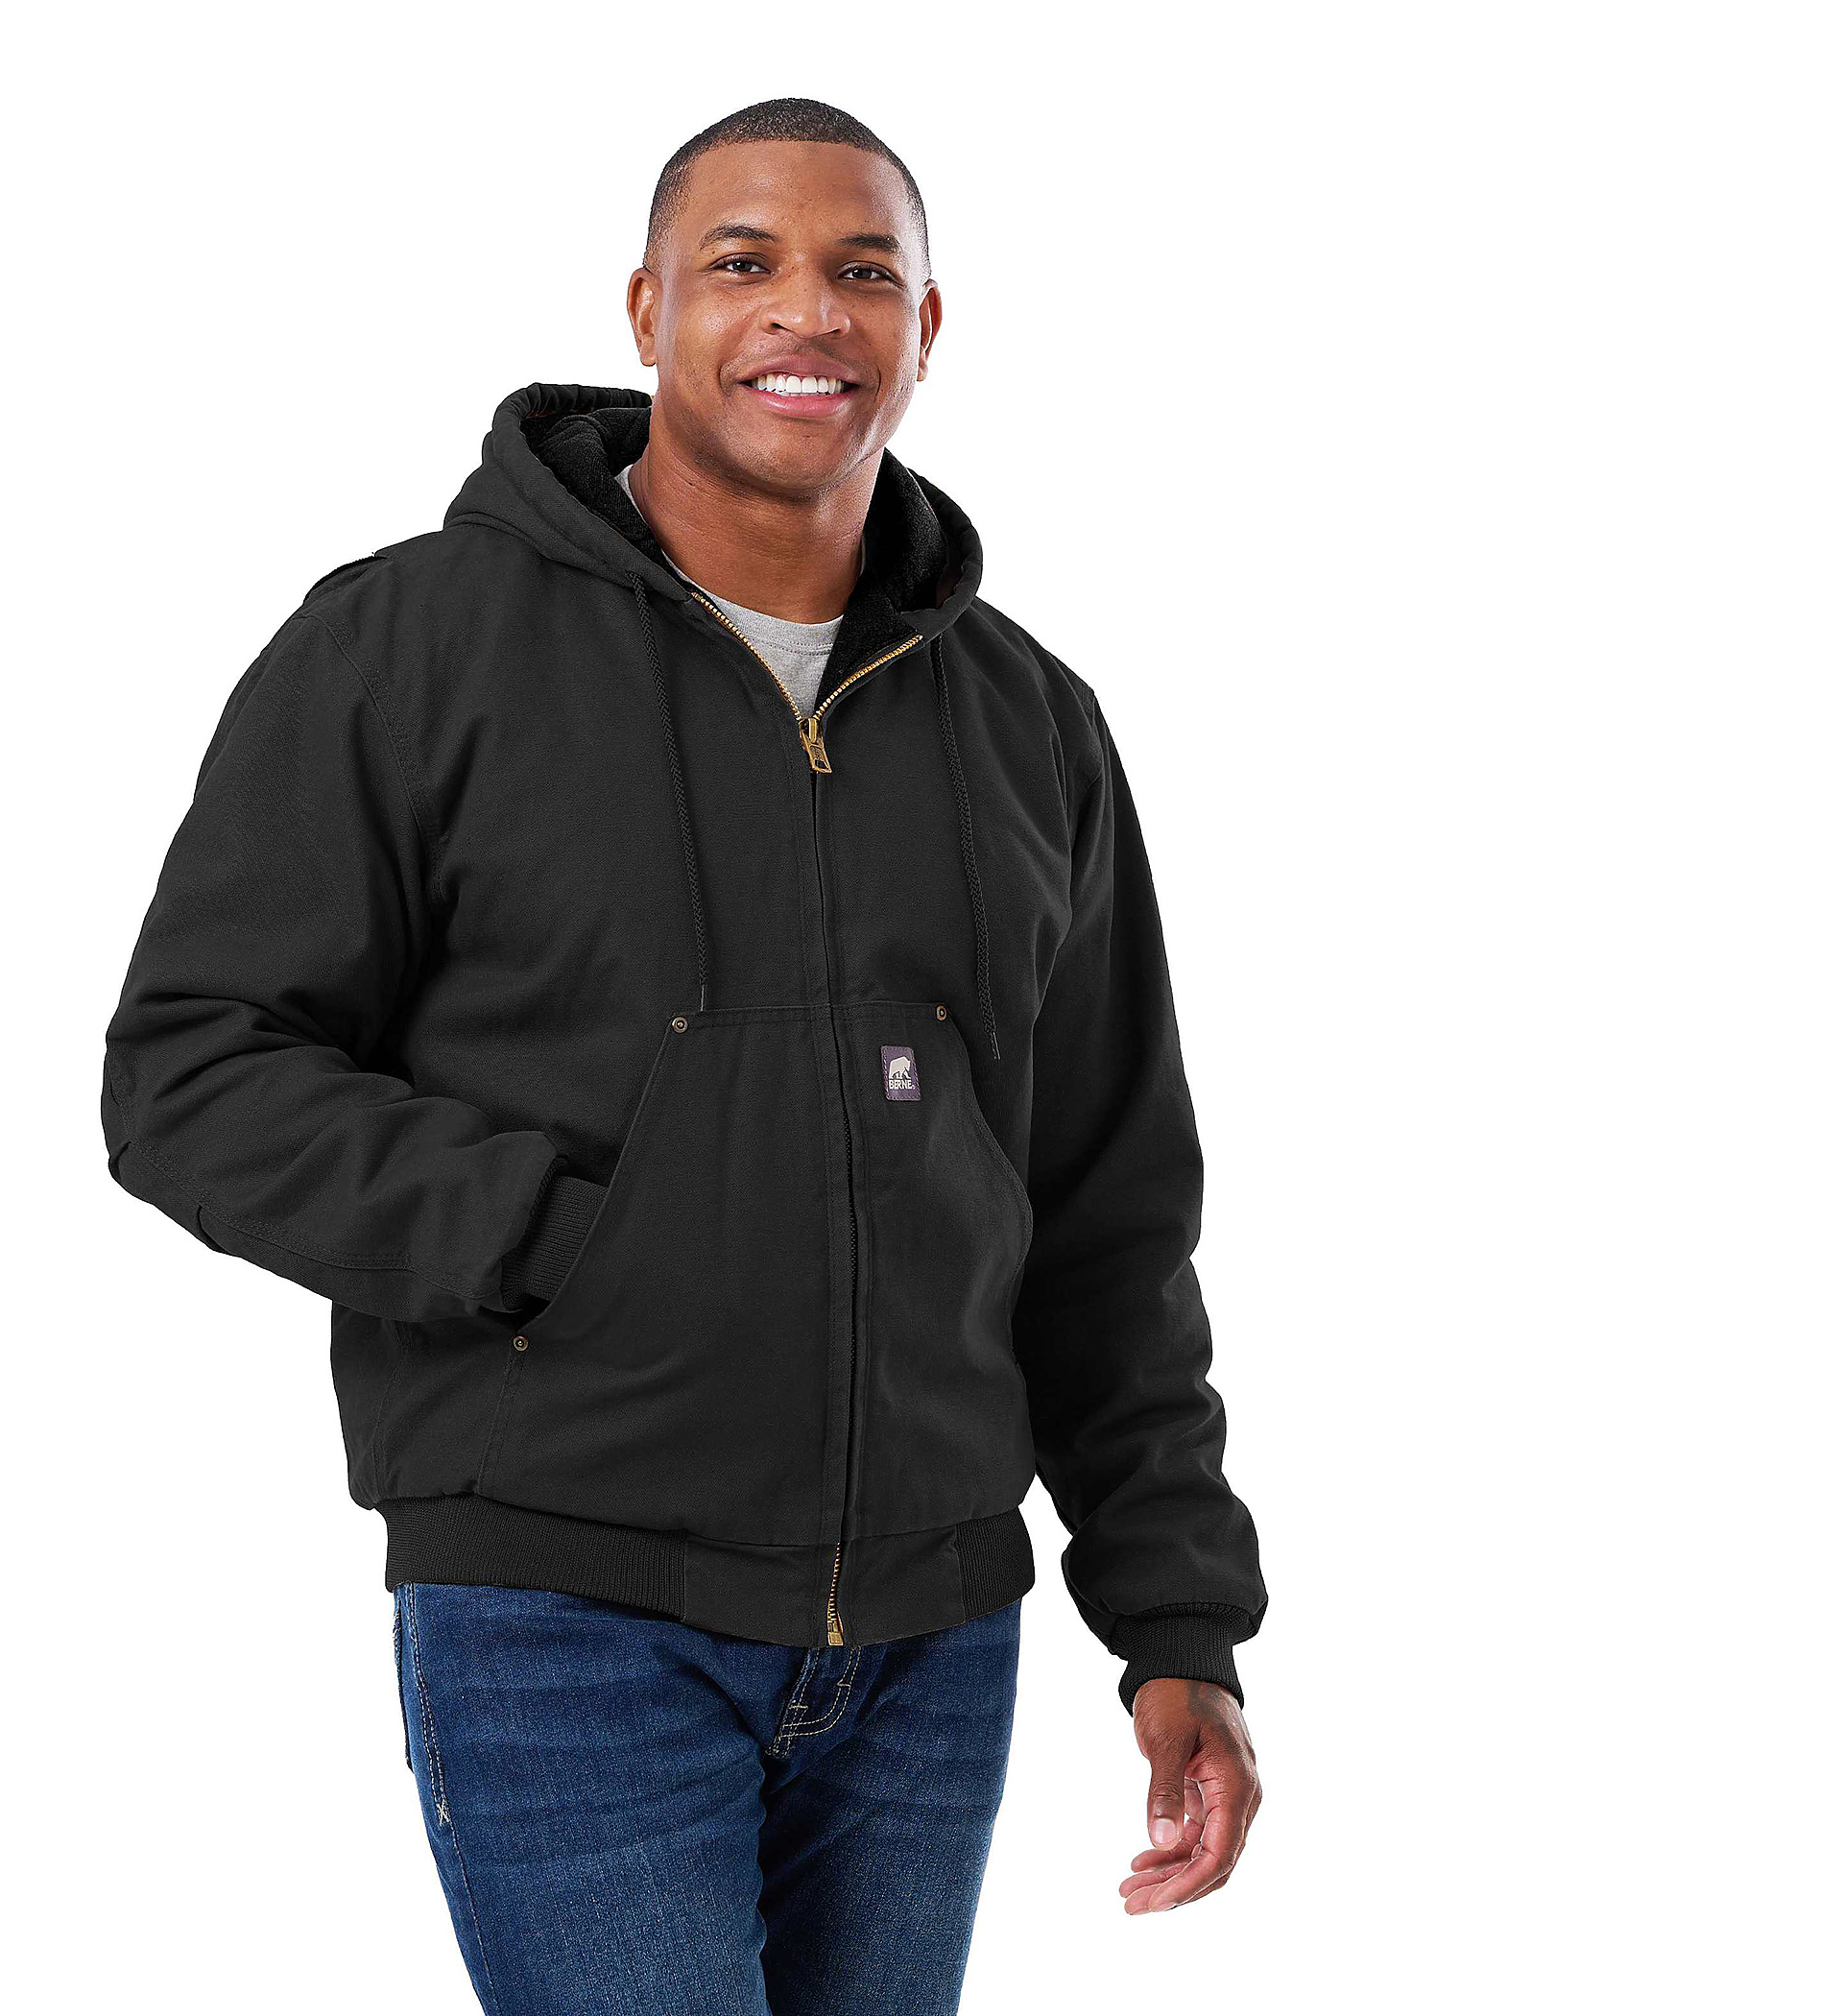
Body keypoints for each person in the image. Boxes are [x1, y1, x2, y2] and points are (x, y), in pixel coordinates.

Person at [102, 96, 1266, 2015]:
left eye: (862, 270)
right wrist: (559, 1239)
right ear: (648, 308)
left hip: (933, 1637)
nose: (807, 311)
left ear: (925, 327)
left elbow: (1106, 1203)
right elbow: (193, 1071)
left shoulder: (1028, 719)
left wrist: (1177, 1620)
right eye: (744, 263)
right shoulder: (412, 646)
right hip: (567, 1610)